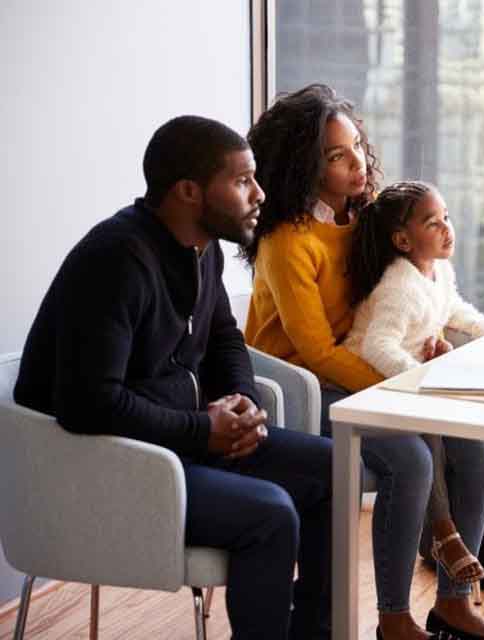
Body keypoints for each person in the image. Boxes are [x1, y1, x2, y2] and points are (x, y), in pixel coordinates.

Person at [14, 116, 336, 639]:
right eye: (242, 180)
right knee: (271, 514)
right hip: (107, 468)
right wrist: (202, 429)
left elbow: (225, 337)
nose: (258, 194)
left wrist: (243, 401)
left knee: (333, 466)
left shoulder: (199, 248)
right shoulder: (115, 260)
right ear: (189, 191)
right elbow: (88, 403)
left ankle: (315, 632)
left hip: (177, 444)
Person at [241, 84, 484, 640]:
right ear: (304, 165)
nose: (355, 164)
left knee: (470, 441)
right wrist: (405, 389)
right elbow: (318, 351)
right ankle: (394, 617)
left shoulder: (368, 218)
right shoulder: (287, 242)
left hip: (368, 369)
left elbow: (400, 301)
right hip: (303, 386)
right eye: (335, 156)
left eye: (356, 149)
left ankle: (455, 602)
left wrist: (429, 345)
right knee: (411, 460)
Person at [343, 179, 484, 587]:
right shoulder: (398, 286)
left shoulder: (438, 273)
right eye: (432, 223)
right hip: (376, 386)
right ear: (402, 240)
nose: (446, 228)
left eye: (446, 217)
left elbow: (457, 312)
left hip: (413, 375)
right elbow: (377, 346)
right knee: (431, 434)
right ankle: (445, 534)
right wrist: (421, 379)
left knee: (478, 405)